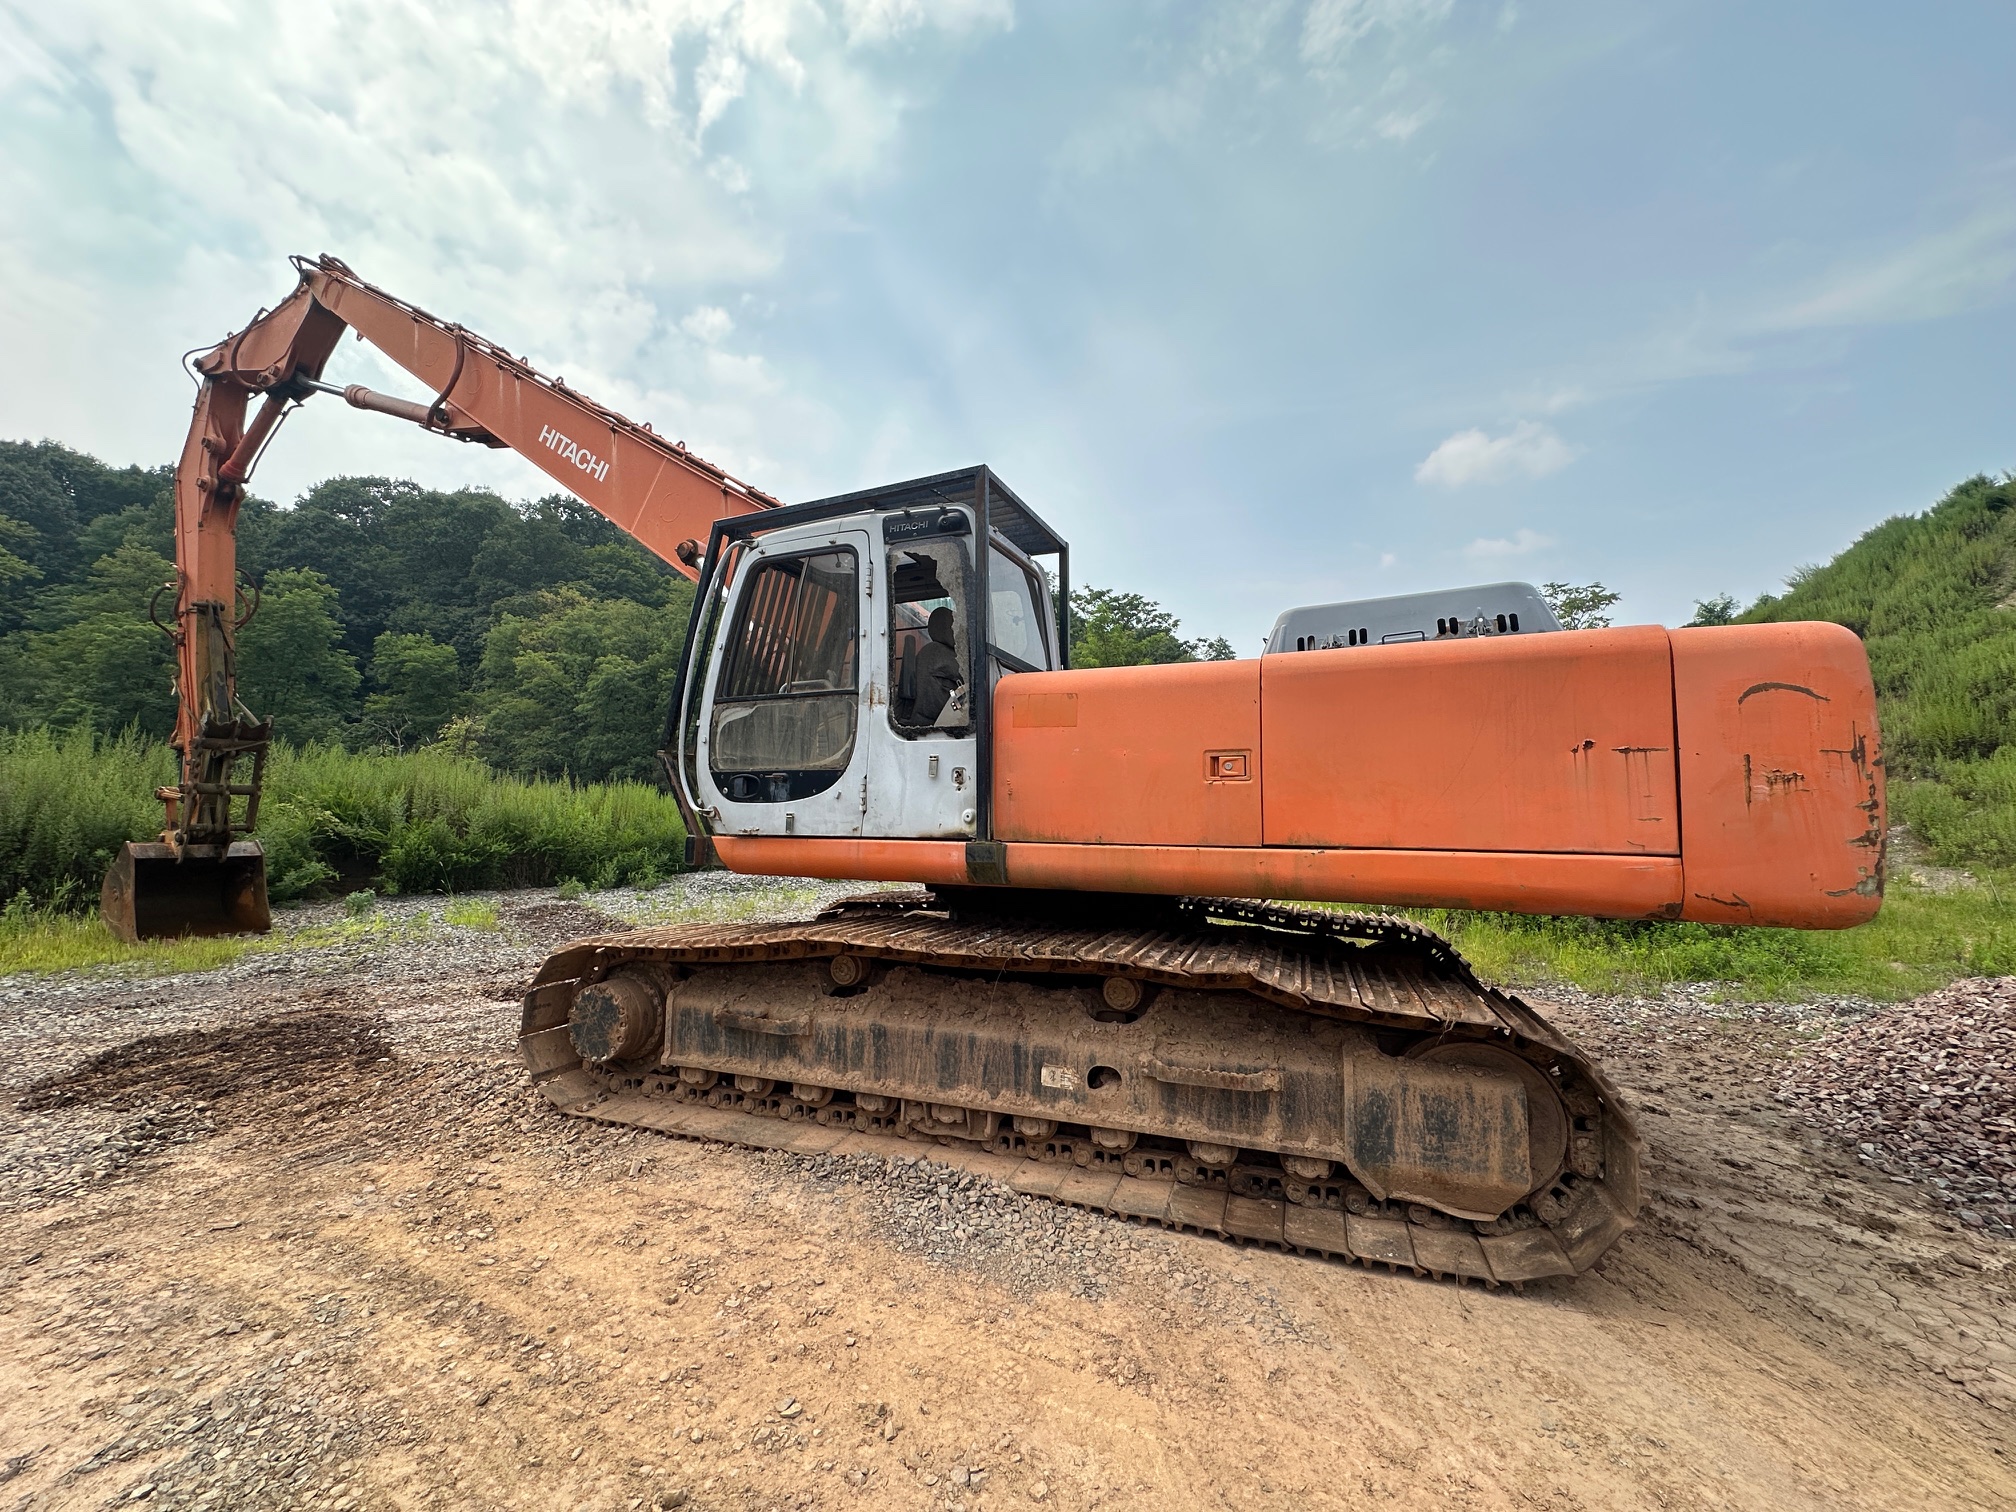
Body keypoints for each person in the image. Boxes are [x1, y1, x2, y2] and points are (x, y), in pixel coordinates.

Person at [911, 606, 964, 724]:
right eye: (955, 626)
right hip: (942, 721)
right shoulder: (948, 658)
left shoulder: (926, 652)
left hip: (922, 717)